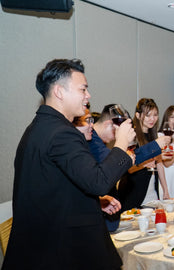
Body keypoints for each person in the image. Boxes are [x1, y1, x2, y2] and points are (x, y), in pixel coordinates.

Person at [2, 59, 136, 269]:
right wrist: (121, 144)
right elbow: (99, 181)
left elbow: (52, 187)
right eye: (83, 89)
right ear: (59, 91)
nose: (88, 96)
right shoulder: (62, 133)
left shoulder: (39, 127)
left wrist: (94, 202)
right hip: (59, 253)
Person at [118, 98, 170, 210]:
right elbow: (127, 168)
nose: (152, 119)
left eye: (155, 115)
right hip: (133, 193)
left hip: (152, 193)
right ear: (138, 115)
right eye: (148, 115)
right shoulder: (131, 136)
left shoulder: (153, 136)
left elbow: (159, 163)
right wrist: (144, 164)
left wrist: (165, 190)